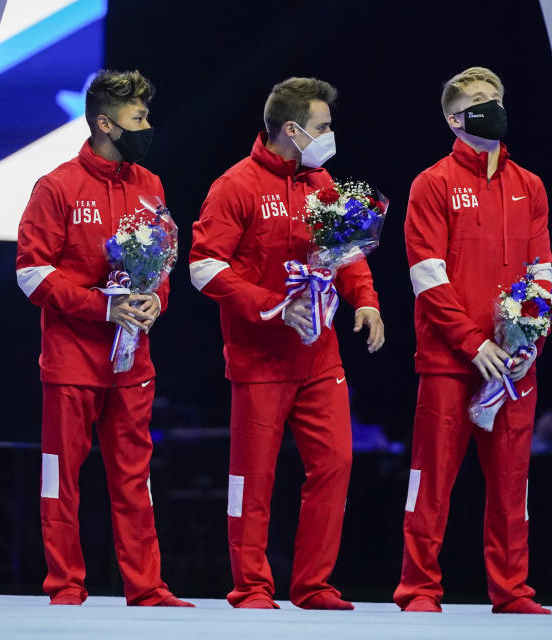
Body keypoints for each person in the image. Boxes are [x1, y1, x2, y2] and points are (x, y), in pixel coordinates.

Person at [189, 77, 384, 610]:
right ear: (293, 130)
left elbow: (345, 248)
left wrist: (365, 299)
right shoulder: (234, 185)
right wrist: (273, 306)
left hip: (319, 356)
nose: (330, 135)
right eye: (323, 127)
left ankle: (312, 585)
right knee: (254, 478)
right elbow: (204, 268)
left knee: (336, 464)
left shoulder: (321, 183)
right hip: (259, 359)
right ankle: (251, 586)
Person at [15, 69, 192, 607]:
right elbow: (31, 274)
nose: (147, 126)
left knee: (135, 478)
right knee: (61, 477)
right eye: (138, 117)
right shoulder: (57, 186)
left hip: (132, 361)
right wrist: (104, 306)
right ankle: (65, 585)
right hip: (71, 360)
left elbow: (162, 261)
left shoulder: (150, 185)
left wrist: (153, 301)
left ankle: (146, 586)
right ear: (104, 122)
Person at [394, 66, 552, 614]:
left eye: (498, 98)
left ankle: (512, 590)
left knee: (512, 482)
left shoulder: (530, 185)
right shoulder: (432, 183)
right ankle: (418, 588)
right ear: (454, 118)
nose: (494, 106)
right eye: (480, 100)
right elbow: (427, 274)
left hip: (512, 364)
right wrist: (472, 342)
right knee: (432, 477)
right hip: (450, 359)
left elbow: (543, 273)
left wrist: (527, 338)